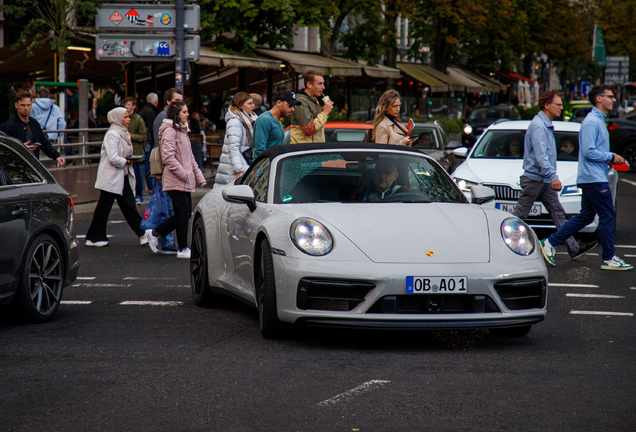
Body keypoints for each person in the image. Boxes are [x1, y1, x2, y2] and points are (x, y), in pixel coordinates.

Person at [540, 85, 633, 270]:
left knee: (586, 216)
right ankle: (608, 258)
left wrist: (608, 158)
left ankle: (550, 243)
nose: (614, 100)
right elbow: (589, 151)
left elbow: (592, 151)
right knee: (607, 215)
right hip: (594, 178)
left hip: (592, 177)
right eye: (610, 96)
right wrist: (610, 156)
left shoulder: (597, 120)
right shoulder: (592, 122)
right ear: (599, 99)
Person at [512, 91, 596, 261]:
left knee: (559, 214)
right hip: (535, 179)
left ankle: (573, 248)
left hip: (542, 179)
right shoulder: (539, 126)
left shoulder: (546, 125)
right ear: (546, 105)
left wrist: (549, 177)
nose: (561, 107)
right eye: (558, 104)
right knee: (520, 215)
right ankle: (503, 245)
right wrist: (553, 177)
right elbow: (540, 155)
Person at [145, 101, 207, 259]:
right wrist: (185, 175)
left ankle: (155, 232)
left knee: (184, 214)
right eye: (184, 112)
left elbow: (190, 157)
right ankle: (183, 248)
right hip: (175, 180)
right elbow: (168, 158)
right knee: (182, 213)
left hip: (184, 180)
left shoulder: (183, 131)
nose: (188, 114)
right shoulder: (170, 132)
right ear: (175, 114)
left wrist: (198, 176)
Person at [84, 108, 147, 247]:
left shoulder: (122, 132)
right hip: (113, 176)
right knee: (112, 207)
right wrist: (127, 161)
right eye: (125, 117)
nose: (129, 119)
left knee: (117, 206)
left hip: (119, 175)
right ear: (118, 118)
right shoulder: (113, 134)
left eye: (128, 117)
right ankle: (143, 233)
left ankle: (94, 236)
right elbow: (113, 158)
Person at [0, 90, 66, 166]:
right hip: (14, 168)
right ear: (16, 105)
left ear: (32, 105)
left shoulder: (34, 124)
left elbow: (44, 143)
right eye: (22, 105)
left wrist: (56, 156)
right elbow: (3, 149)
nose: (26, 108)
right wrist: (20, 148)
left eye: (28, 105)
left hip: (32, 168)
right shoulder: (9, 125)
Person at [214, 93, 257, 188]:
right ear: (240, 105)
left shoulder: (247, 119)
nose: (253, 106)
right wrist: (238, 170)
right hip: (233, 169)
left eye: (253, 103)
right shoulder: (235, 121)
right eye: (249, 103)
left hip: (240, 163)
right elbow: (233, 147)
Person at [289, 70, 335, 143]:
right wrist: (325, 112)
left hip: (312, 150)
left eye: (323, 84)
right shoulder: (301, 101)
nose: (323, 87)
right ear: (309, 85)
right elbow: (308, 130)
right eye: (320, 84)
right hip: (304, 151)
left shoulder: (313, 99)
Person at [253, 90, 300, 158]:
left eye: (294, 106)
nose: (293, 109)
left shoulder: (278, 119)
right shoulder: (264, 120)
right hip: (265, 167)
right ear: (279, 103)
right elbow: (259, 150)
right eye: (290, 105)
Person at [123, 97, 147, 203]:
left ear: (134, 106)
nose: (126, 107)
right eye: (125, 104)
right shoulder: (122, 118)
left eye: (129, 104)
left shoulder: (138, 119)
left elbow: (143, 136)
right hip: (125, 151)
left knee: (137, 174)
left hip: (135, 152)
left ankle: (139, 194)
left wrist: (131, 136)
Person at [139, 92, 159, 193]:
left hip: (145, 140)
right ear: (156, 102)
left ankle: (149, 186)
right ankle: (150, 186)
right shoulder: (151, 112)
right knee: (148, 163)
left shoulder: (143, 110)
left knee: (146, 163)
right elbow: (151, 129)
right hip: (148, 141)